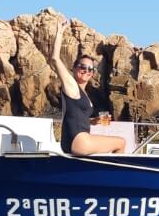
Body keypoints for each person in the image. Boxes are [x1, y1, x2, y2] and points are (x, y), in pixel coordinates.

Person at [51, 18, 126, 155]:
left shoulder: (83, 92)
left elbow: (77, 117)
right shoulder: (71, 86)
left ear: (92, 74)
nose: (86, 71)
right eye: (82, 67)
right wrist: (60, 32)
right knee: (121, 143)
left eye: (90, 69)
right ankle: (113, 176)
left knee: (117, 143)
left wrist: (94, 121)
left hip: (74, 140)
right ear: (74, 68)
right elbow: (55, 58)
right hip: (79, 140)